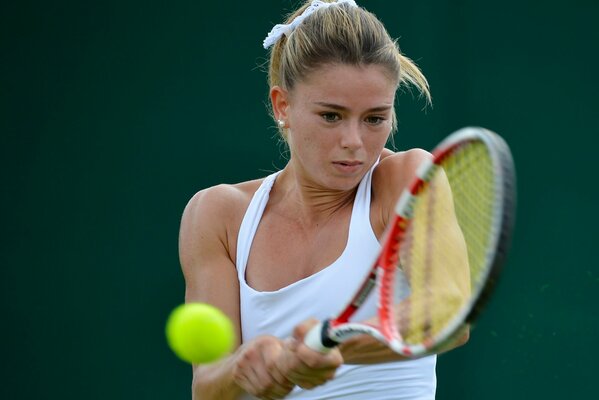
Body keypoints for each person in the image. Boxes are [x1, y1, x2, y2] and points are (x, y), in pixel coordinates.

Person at [179, 0, 467, 398]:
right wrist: (243, 370)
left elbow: (448, 313)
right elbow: (207, 388)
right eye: (331, 116)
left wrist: (330, 343)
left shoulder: (408, 181)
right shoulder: (216, 215)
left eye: (374, 119)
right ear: (283, 105)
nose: (354, 143)